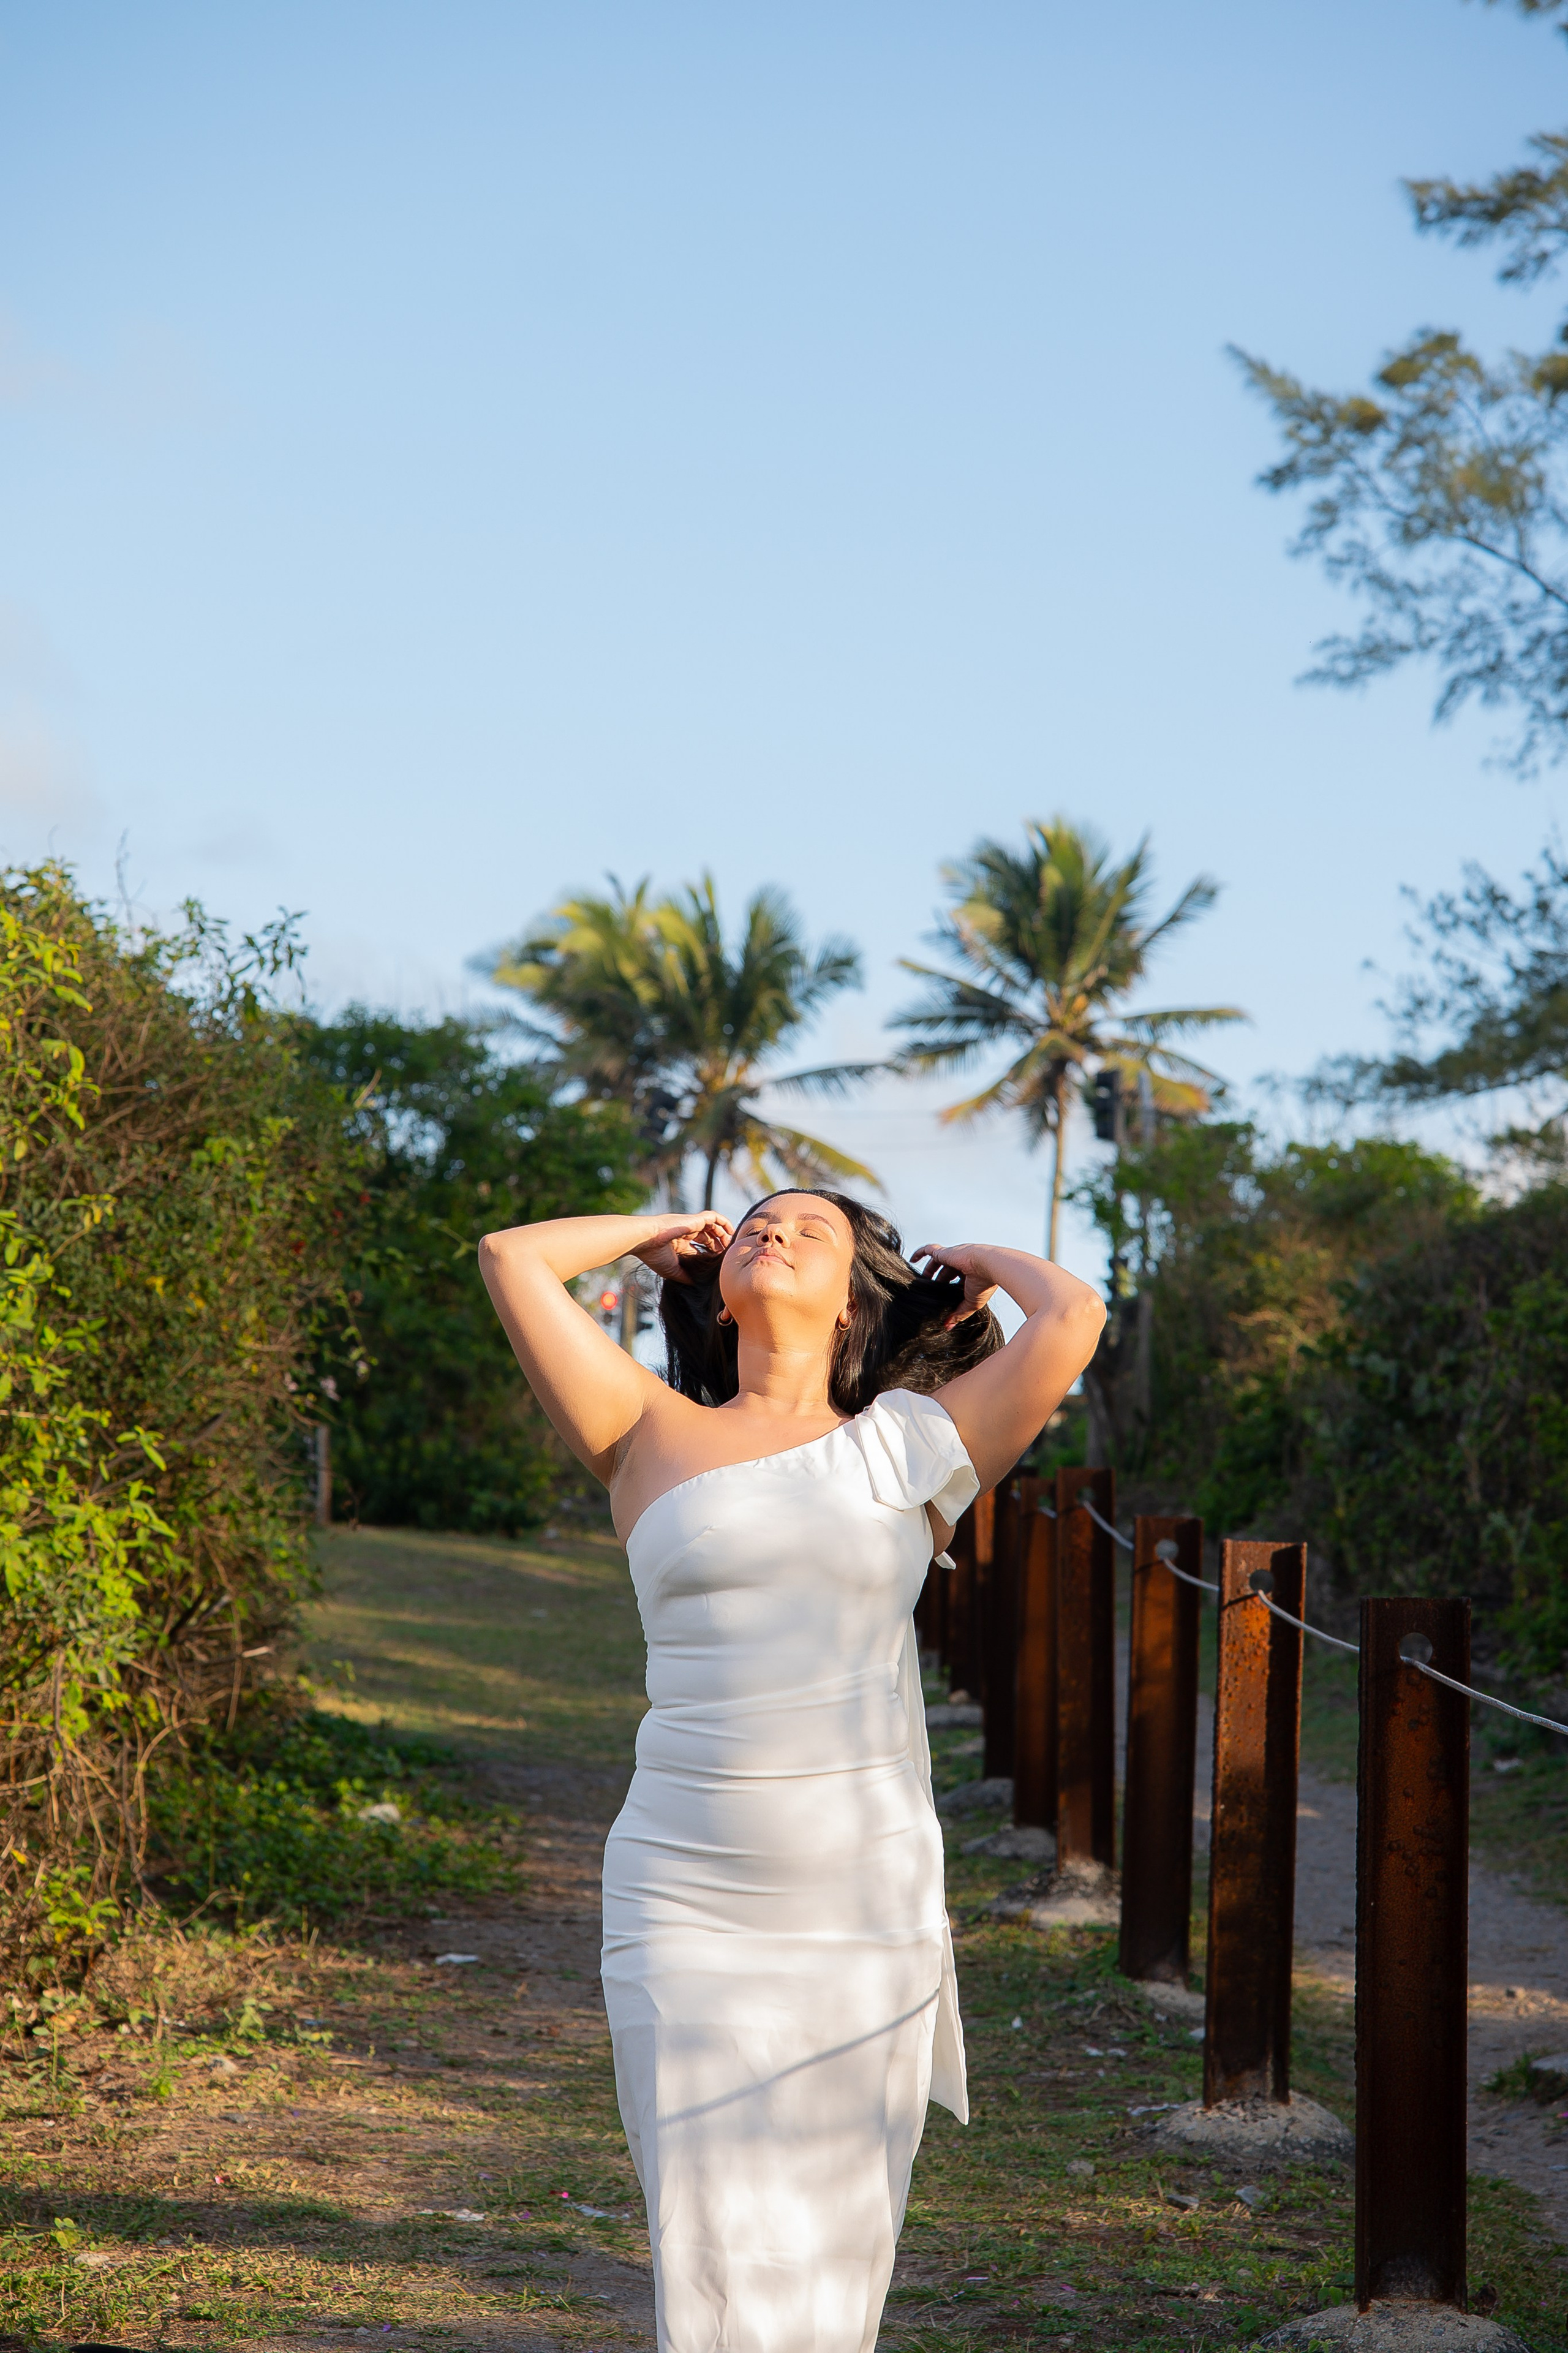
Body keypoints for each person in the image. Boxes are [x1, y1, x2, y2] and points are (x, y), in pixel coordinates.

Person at [480, 1191, 1104, 2353]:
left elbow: (1071, 1314)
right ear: (713, 1273)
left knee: (832, 2238)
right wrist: (646, 1230)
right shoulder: (643, 1426)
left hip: (858, 1903)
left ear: (860, 1295)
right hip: (682, 1889)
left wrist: (974, 1260)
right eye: (757, 1223)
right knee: (709, 2233)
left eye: (811, 1228)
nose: (777, 1234)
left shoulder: (913, 1441)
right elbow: (512, 1258)